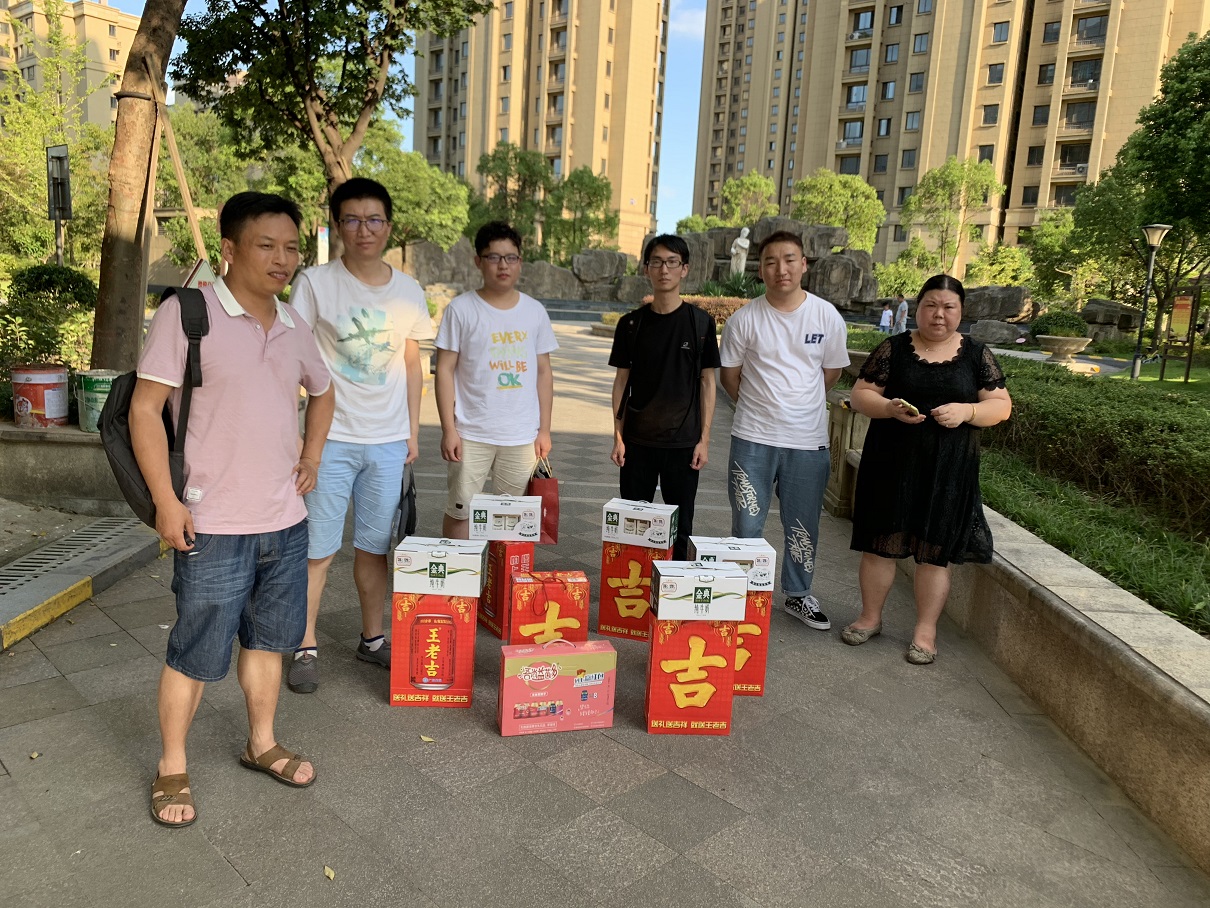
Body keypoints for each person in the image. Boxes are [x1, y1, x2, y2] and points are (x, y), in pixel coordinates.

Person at [131, 192, 334, 827]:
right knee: (195, 648)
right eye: (266, 245)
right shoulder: (187, 314)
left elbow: (323, 392)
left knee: (270, 642)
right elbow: (144, 410)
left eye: (291, 247)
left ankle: (261, 742)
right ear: (229, 249)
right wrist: (165, 501)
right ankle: (171, 765)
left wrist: (312, 453)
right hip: (211, 522)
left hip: (285, 521)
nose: (282, 259)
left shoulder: (294, 323)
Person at [286, 178, 433, 694]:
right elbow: (291, 358)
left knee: (375, 548)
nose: (363, 229)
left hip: (388, 441)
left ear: (388, 226)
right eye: (351, 219)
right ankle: (303, 645)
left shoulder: (408, 290)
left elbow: (412, 362)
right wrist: (297, 438)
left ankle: (373, 640)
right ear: (336, 225)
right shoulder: (315, 283)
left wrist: (412, 431)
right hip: (329, 442)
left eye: (373, 219)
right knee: (317, 549)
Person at [844, 274, 1012, 664]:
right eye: (931, 305)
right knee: (879, 546)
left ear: (961, 312)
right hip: (890, 465)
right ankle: (869, 618)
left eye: (948, 307)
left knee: (935, 553)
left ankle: (925, 631)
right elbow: (861, 395)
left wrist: (967, 411)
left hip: (948, 472)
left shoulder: (976, 354)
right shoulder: (894, 348)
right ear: (917, 308)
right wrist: (888, 408)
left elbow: (1001, 406)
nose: (939, 314)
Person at [719, 230, 849, 630]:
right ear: (760, 269)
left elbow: (830, 373)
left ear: (804, 264)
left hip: (807, 443)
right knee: (747, 524)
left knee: (802, 524)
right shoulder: (744, 319)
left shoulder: (826, 316)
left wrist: (797, 407)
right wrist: (762, 408)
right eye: (771, 261)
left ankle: (798, 594)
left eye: (790, 259)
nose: (781, 269)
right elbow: (730, 377)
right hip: (752, 439)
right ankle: (741, 594)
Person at [435, 221, 557, 538]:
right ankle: (461, 570)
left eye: (510, 257)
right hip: (470, 433)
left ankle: (503, 574)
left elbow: (544, 372)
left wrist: (544, 429)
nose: (503, 265)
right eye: (494, 257)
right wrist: (449, 429)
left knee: (514, 519)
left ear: (520, 262)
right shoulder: (461, 309)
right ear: (478, 261)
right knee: (460, 511)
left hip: (521, 436)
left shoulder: (534, 312)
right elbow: (444, 370)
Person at [609, 234, 721, 559]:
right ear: (646, 268)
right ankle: (635, 586)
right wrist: (618, 436)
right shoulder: (631, 324)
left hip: (683, 444)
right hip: (637, 442)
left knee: (681, 529)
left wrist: (704, 440)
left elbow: (708, 383)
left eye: (672, 262)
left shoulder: (700, 324)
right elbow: (621, 382)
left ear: (684, 269)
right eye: (656, 262)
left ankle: (674, 586)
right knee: (634, 527)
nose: (664, 270)